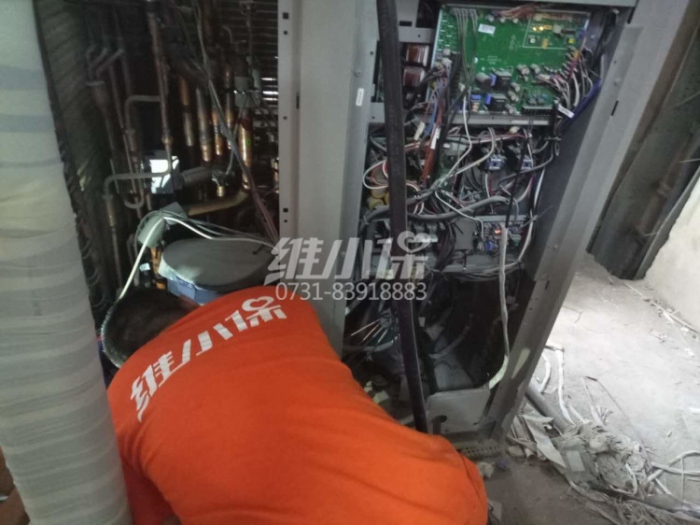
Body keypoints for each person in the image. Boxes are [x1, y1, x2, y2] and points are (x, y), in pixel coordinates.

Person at [102, 286, 489, 525]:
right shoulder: (277, 301)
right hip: (447, 503)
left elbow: (158, 516)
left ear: (127, 364)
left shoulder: (118, 404)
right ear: (188, 302)